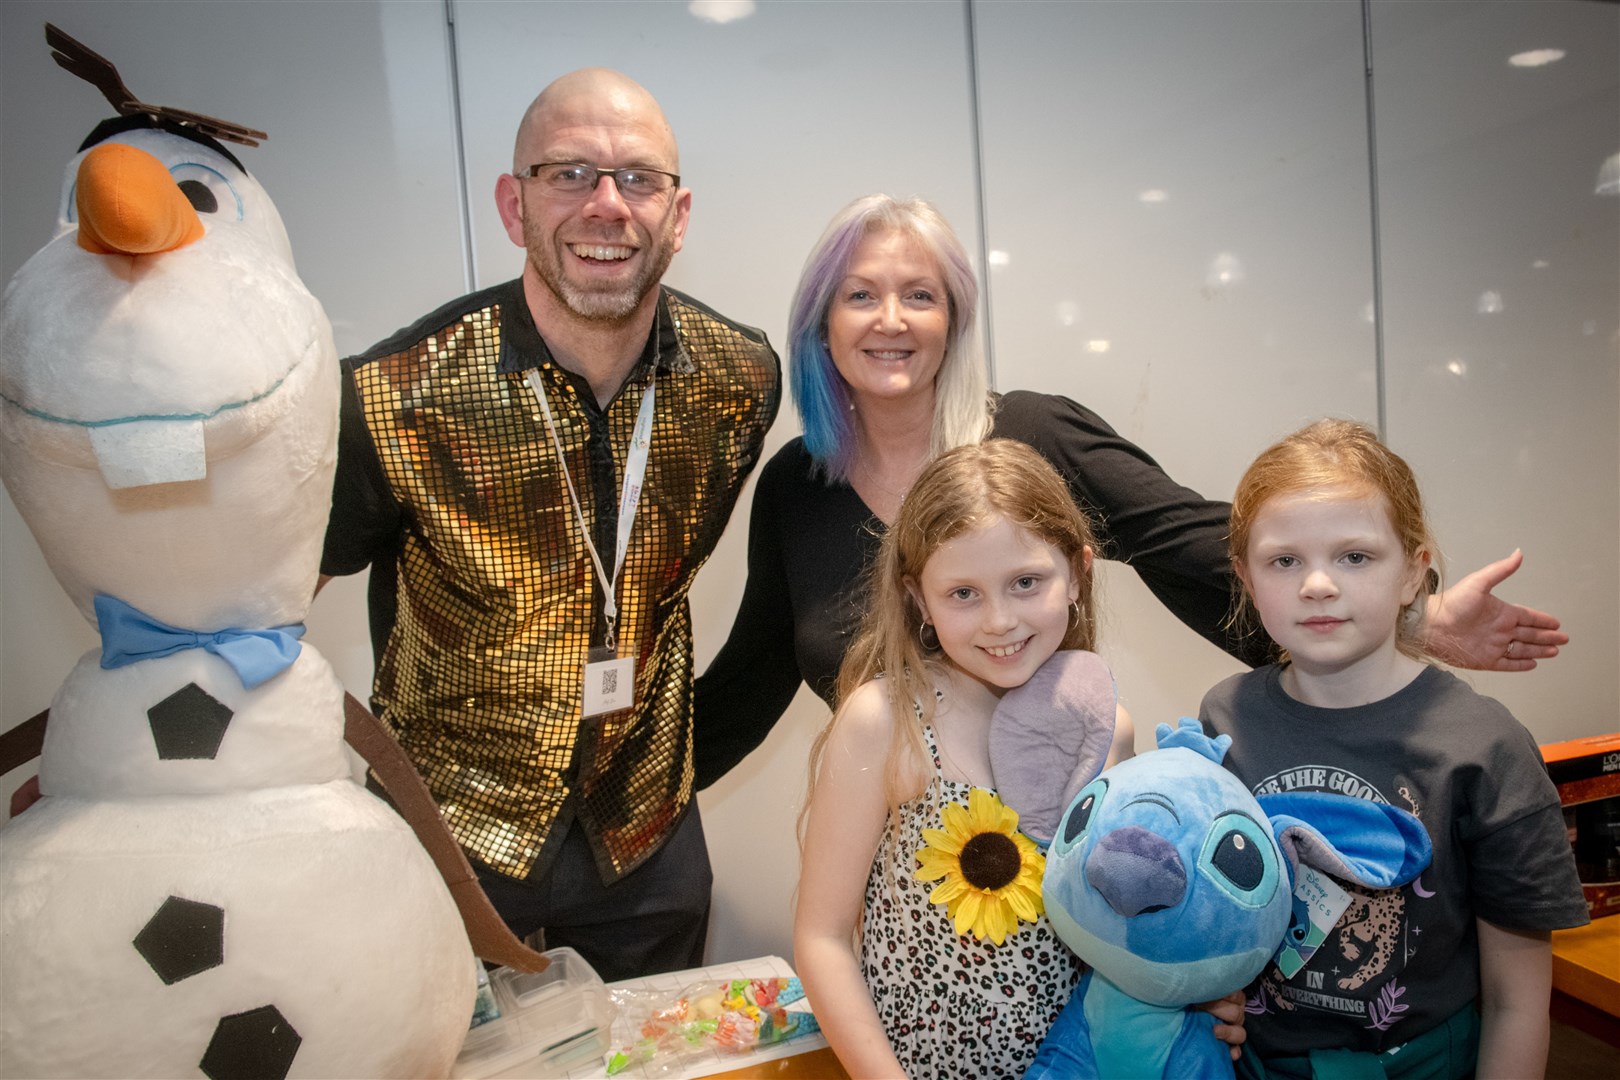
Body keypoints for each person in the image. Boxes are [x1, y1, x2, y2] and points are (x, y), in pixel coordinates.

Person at [692, 194, 1568, 791]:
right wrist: (604, 798)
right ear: (821, 323)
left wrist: (1410, 618)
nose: (891, 320)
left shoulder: (1030, 436)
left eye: (919, 295)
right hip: (895, 853)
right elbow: (750, 680)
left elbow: (1198, 544)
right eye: (861, 296)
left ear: (953, 318)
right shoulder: (795, 488)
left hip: (1058, 841)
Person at [320, 69, 780, 982]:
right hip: (446, 827)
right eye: (568, 173)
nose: (606, 206)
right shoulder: (395, 396)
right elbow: (278, 595)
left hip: (643, 833)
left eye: (638, 179)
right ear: (513, 202)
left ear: (678, 215)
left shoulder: (740, 381)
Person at [1199, 419, 1587, 1080]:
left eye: (1355, 556)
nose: (1317, 584)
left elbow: (1517, 1002)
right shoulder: (1224, 716)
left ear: (1413, 572)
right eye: (1283, 560)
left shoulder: (1485, 748)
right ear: (1246, 576)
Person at [794, 439, 1136, 1078]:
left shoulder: (1108, 734)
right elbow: (822, 938)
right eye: (963, 594)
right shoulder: (886, 720)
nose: (999, 620)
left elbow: (1120, 937)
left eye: (1026, 582)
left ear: (1078, 576)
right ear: (919, 599)